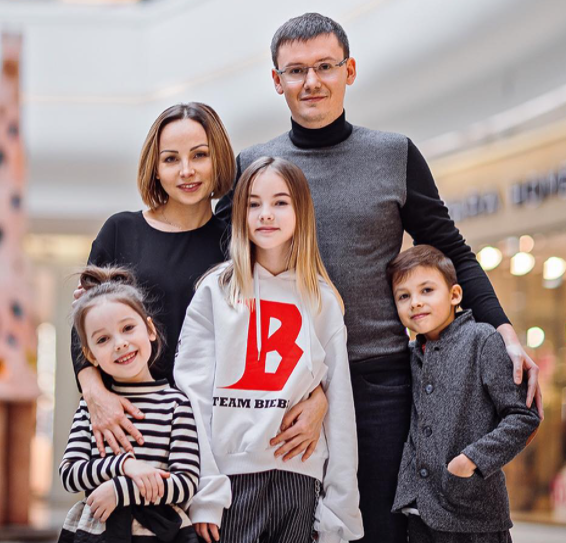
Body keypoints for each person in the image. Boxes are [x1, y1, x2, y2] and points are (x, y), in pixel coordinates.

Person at [215, 12, 542, 543]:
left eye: (325, 66)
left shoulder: (393, 155)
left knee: (380, 530)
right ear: (277, 81)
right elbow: (218, 270)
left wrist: (505, 332)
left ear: (350, 70)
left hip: (379, 383)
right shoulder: (254, 168)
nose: (312, 81)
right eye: (296, 71)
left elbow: (451, 249)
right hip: (278, 383)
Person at [174, 157, 364, 543]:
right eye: (253, 203)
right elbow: (193, 400)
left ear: (301, 212)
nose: (266, 214)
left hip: (299, 481)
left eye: (280, 202)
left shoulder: (322, 300)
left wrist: (339, 512)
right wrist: (205, 491)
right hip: (230, 485)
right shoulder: (215, 291)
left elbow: (340, 408)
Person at [71, 102, 235, 457]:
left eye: (200, 155)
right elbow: (82, 329)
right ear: (156, 169)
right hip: (128, 423)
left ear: (218, 158)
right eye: (171, 159)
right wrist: (95, 396)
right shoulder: (121, 231)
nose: (187, 171)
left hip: (212, 430)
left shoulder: (236, 244)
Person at [387, 245, 540, 543]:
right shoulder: (409, 354)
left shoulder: (482, 340)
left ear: (455, 295)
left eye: (427, 290)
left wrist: (471, 459)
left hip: (474, 516)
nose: (415, 303)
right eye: (404, 296)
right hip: (419, 516)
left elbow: (523, 416)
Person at [59, 266, 201, 543]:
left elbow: (185, 483)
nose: (120, 343)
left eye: (127, 328)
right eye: (103, 339)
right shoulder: (92, 408)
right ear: (92, 355)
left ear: (149, 329)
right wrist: (125, 465)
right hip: (97, 531)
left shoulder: (176, 404)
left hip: (160, 533)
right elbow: (70, 473)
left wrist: (120, 490)